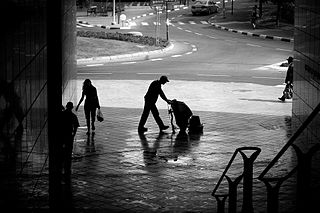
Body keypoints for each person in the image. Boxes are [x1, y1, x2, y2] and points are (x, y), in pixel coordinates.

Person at [61, 102, 79, 183]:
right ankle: (67, 167)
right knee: (68, 150)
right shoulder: (73, 116)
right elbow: (75, 126)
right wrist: (73, 134)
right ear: (72, 107)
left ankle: (62, 162)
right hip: (69, 135)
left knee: (61, 149)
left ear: (66, 106)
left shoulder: (62, 114)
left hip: (62, 134)